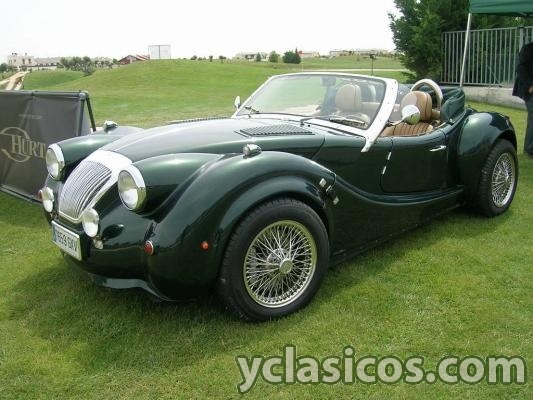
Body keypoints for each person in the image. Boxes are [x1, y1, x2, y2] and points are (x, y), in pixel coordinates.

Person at [513, 41, 533, 158]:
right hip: (529, 89)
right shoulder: (528, 49)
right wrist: (530, 85)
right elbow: (520, 68)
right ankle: (529, 149)